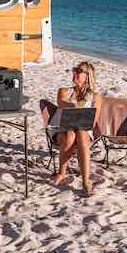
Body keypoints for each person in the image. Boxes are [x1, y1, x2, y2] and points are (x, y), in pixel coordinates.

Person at [50, 61, 102, 197]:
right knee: (69, 135)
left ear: (87, 76)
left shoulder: (95, 96)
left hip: (83, 130)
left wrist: (80, 114)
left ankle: (86, 181)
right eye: (74, 70)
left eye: (78, 71)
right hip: (61, 128)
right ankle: (62, 173)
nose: (74, 73)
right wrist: (73, 106)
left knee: (81, 133)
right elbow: (61, 103)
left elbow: (93, 120)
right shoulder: (64, 91)